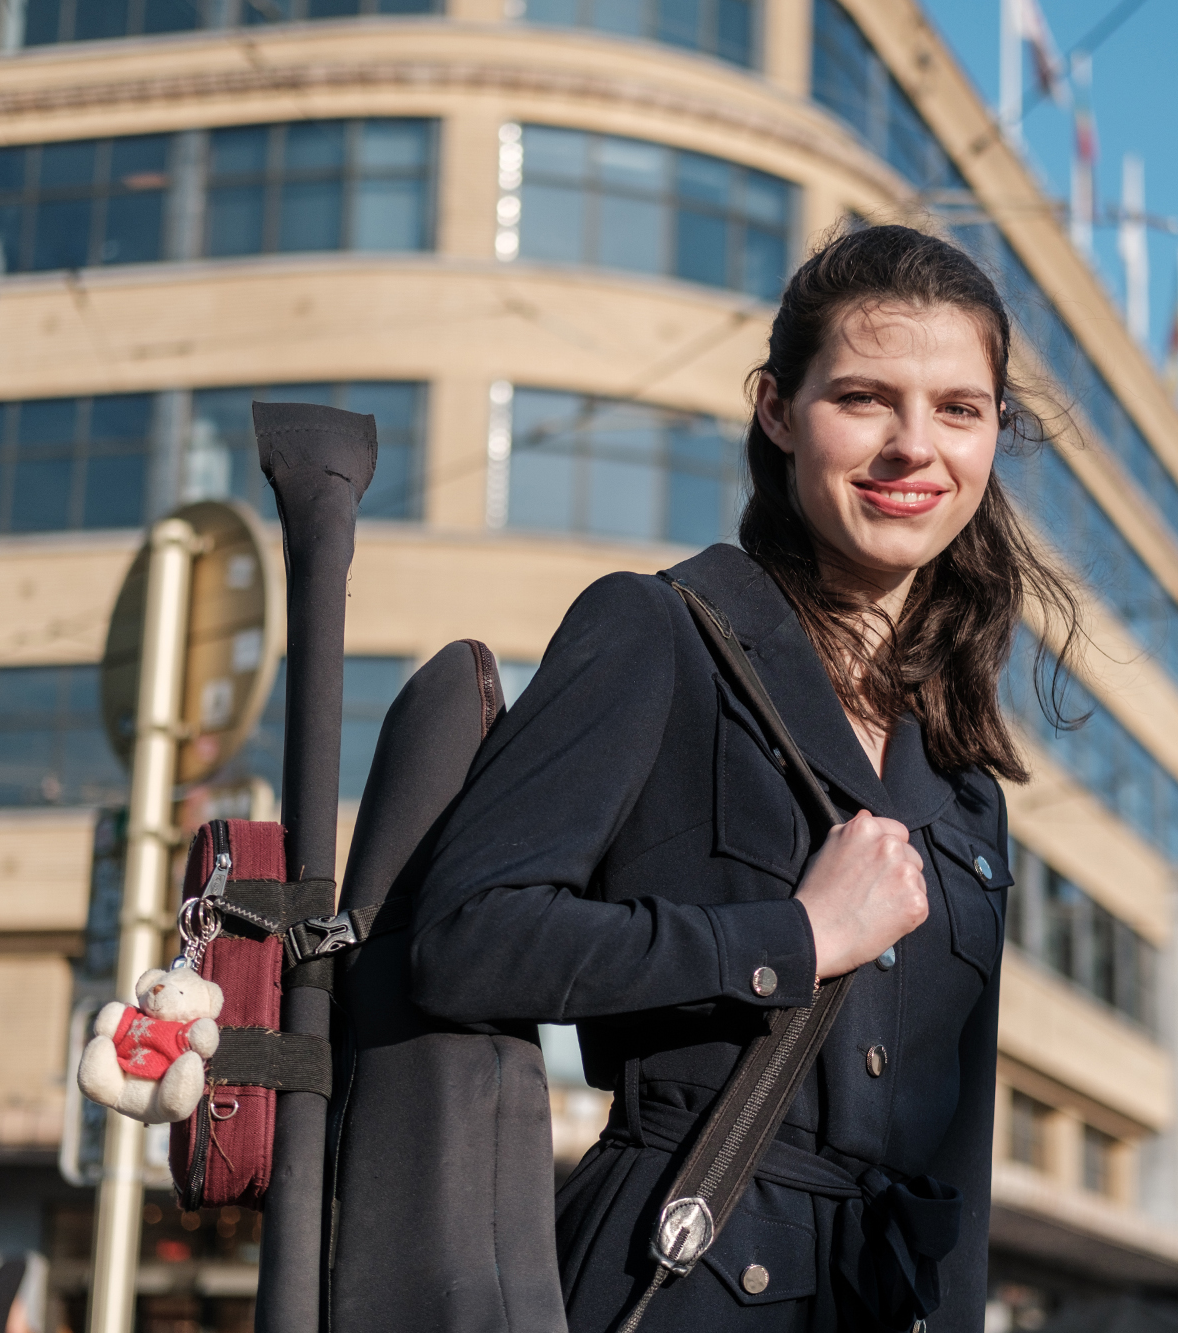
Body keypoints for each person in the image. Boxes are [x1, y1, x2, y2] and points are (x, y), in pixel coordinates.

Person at [409, 224, 1082, 1331]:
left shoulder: (963, 786)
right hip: (672, 1273)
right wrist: (793, 941)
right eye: (865, 399)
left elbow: (952, 1164)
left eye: (958, 409)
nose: (915, 447)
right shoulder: (658, 634)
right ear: (776, 409)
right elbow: (466, 937)